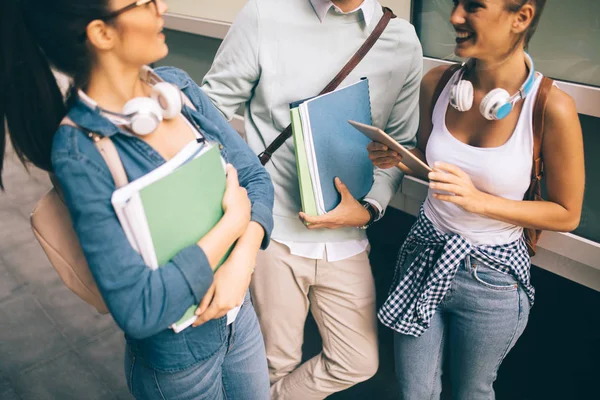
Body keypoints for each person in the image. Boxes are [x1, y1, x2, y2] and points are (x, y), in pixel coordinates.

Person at [0, 1, 274, 399]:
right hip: (180, 364)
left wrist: (243, 260)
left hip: (241, 322)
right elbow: (140, 309)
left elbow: (256, 179)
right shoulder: (79, 151)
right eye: (144, 2)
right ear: (102, 33)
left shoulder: (177, 89)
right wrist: (232, 225)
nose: (161, 6)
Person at [201, 0, 422, 398]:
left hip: (348, 241)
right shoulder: (264, 15)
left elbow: (400, 144)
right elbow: (210, 111)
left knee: (357, 359)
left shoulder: (401, 39)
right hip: (274, 233)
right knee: (272, 362)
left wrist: (370, 206)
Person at [369, 0, 585, 398]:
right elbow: (435, 170)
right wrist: (402, 159)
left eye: (473, 7)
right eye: (455, 4)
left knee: (473, 391)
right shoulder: (438, 83)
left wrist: (478, 201)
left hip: (493, 279)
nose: (454, 17)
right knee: (414, 391)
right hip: (424, 253)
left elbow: (567, 214)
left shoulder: (551, 106)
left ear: (521, 17)